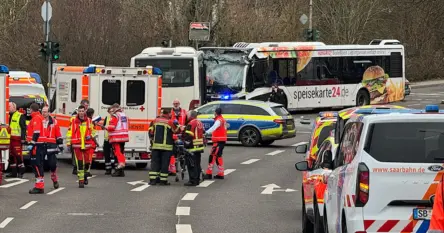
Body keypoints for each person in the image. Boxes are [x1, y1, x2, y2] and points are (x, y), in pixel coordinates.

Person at [148, 109, 179, 185]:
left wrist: (152, 142)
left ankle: (153, 180)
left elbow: (150, 132)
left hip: (155, 147)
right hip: (166, 148)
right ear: (168, 114)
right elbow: (176, 131)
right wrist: (177, 125)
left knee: (155, 163)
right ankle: (163, 181)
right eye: (170, 114)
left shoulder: (155, 121)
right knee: (164, 164)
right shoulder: (170, 122)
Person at [68, 105, 93, 188]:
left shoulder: (89, 121)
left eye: (83, 111)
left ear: (85, 111)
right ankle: (81, 181)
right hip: (77, 144)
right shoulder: (73, 121)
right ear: (78, 112)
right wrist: (68, 143)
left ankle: (85, 175)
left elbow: (93, 131)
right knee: (79, 164)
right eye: (80, 111)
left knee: (87, 163)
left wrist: (91, 136)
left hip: (87, 144)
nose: (81, 113)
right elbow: (69, 132)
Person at [27, 103, 47, 194]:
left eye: (30, 110)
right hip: (40, 144)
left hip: (37, 145)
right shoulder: (41, 117)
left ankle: (39, 187)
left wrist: (32, 143)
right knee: (39, 165)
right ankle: (40, 185)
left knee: (36, 165)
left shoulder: (36, 118)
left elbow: (36, 132)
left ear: (31, 110)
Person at [105, 103, 129, 177]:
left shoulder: (115, 115)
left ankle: (120, 166)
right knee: (121, 152)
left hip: (116, 137)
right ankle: (121, 171)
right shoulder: (124, 115)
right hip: (124, 136)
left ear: (115, 108)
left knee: (118, 152)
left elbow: (112, 127)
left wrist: (106, 127)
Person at [41, 106, 62, 189]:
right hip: (41, 145)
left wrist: (60, 144)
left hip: (51, 146)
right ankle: (39, 183)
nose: (44, 113)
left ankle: (54, 178)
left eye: (45, 112)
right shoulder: (39, 120)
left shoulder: (54, 121)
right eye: (42, 111)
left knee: (52, 164)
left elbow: (58, 133)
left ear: (49, 113)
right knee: (39, 165)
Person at [204, 107, 227, 180]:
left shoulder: (219, 120)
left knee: (212, 156)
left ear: (216, 113)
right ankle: (221, 173)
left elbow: (214, 127)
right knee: (218, 156)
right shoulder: (223, 120)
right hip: (222, 141)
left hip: (218, 141)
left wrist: (206, 132)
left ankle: (209, 173)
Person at [182, 110, 204, 186]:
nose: (186, 116)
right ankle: (197, 179)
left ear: (191, 116)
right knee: (197, 164)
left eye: (187, 115)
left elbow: (189, 136)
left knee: (191, 165)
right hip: (199, 146)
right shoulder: (199, 122)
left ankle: (193, 181)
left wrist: (184, 140)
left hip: (192, 147)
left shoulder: (191, 123)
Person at [68, 99, 90, 175]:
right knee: (77, 157)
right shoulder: (76, 113)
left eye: (87, 106)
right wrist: (69, 142)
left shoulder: (87, 115)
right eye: (85, 105)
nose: (86, 107)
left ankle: (84, 170)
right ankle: (75, 168)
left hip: (86, 141)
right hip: (77, 140)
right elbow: (71, 127)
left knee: (86, 159)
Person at [7, 102, 27, 178]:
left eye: (9, 106)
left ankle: (21, 171)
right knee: (11, 155)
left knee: (18, 155)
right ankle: (13, 172)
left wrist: (22, 138)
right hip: (9, 139)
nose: (8, 107)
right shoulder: (7, 115)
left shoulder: (20, 115)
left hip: (17, 139)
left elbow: (23, 128)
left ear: (14, 107)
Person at [170, 98, 187, 176]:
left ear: (179, 104)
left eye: (177, 103)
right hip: (173, 133)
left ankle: (183, 166)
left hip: (182, 133)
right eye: (174, 103)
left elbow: (187, 120)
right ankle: (173, 167)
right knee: (173, 151)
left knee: (182, 151)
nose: (176, 104)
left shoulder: (184, 112)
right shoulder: (171, 112)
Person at [85, 108, 98, 177]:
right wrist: (96, 142)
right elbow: (92, 133)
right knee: (89, 158)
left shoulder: (85, 120)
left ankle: (85, 170)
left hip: (85, 142)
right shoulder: (90, 121)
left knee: (86, 157)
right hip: (90, 142)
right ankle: (87, 171)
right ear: (92, 114)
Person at [102, 106, 114, 175]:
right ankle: (108, 169)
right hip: (107, 139)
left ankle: (116, 168)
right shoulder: (107, 117)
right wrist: (103, 127)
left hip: (114, 139)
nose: (112, 112)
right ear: (108, 112)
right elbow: (104, 126)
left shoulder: (116, 118)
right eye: (110, 111)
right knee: (107, 154)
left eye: (113, 111)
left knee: (115, 154)